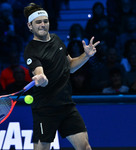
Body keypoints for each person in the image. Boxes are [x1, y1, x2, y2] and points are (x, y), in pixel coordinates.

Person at [23, 3, 100, 150]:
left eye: (45, 21)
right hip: (45, 109)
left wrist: (86, 56)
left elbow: (69, 66)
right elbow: (40, 73)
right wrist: (41, 78)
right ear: (30, 26)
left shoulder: (57, 39)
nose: (43, 24)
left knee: (85, 147)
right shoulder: (31, 50)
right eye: (38, 22)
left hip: (66, 105)